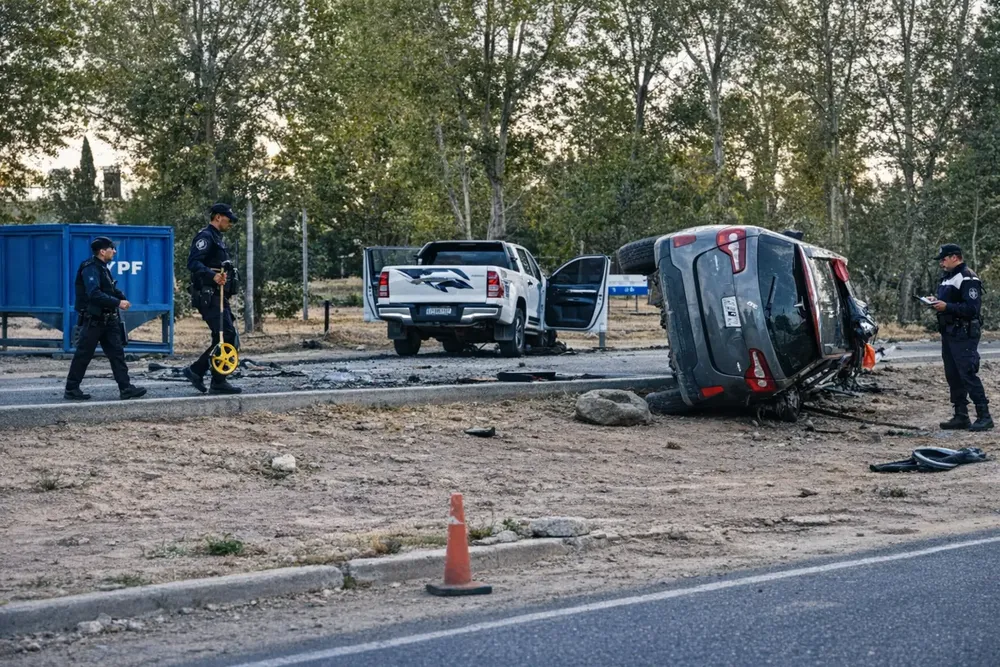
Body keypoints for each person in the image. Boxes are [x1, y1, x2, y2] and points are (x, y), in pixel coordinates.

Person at [64, 237, 147, 401]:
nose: (114, 251)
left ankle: (126, 388)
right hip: (93, 320)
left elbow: (107, 289)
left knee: (117, 354)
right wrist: (118, 302)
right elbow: (94, 294)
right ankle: (72, 389)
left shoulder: (102, 268)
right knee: (83, 355)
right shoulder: (90, 268)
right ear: (103, 251)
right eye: (111, 248)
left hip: (108, 320)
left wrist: (118, 295)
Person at [926, 243, 992, 431]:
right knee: (953, 375)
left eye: (944, 259)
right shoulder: (948, 278)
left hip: (964, 333)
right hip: (949, 332)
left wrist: (947, 307)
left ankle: (984, 415)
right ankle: (961, 415)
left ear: (955, 257)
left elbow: (972, 309)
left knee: (968, 373)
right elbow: (950, 301)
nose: (941, 263)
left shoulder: (967, 278)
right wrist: (935, 302)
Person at [183, 203, 242, 394]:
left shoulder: (218, 238)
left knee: (224, 335)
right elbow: (193, 262)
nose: (230, 223)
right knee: (227, 334)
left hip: (219, 294)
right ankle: (208, 376)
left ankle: (204, 374)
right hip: (208, 294)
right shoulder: (206, 236)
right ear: (218, 217)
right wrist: (212, 275)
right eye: (228, 219)